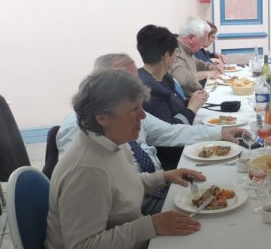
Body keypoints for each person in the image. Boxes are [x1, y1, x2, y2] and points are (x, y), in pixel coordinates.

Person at [44, 70, 203, 249]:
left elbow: (119, 188)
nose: (142, 116)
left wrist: (163, 176)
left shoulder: (107, 142)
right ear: (102, 117)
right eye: (133, 110)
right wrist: (150, 225)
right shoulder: (87, 170)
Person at [56, 53, 244, 214]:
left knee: (229, 185)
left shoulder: (121, 119)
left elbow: (170, 132)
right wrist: (151, 225)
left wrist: (220, 132)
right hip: (138, 208)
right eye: (126, 84)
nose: (143, 113)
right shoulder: (84, 155)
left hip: (150, 189)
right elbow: (88, 244)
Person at [136, 25, 209, 170]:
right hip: (174, 158)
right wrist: (192, 108)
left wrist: (193, 100)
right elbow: (170, 133)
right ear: (166, 56)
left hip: (184, 140)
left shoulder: (164, 77)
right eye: (175, 52)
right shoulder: (149, 90)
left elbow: (177, 105)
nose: (176, 56)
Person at [171, 16, 222, 96]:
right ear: (191, 38)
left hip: (198, 95)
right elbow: (181, 78)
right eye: (203, 40)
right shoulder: (176, 51)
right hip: (189, 101)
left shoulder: (187, 49)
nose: (203, 45)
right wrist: (206, 74)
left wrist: (210, 66)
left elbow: (196, 62)